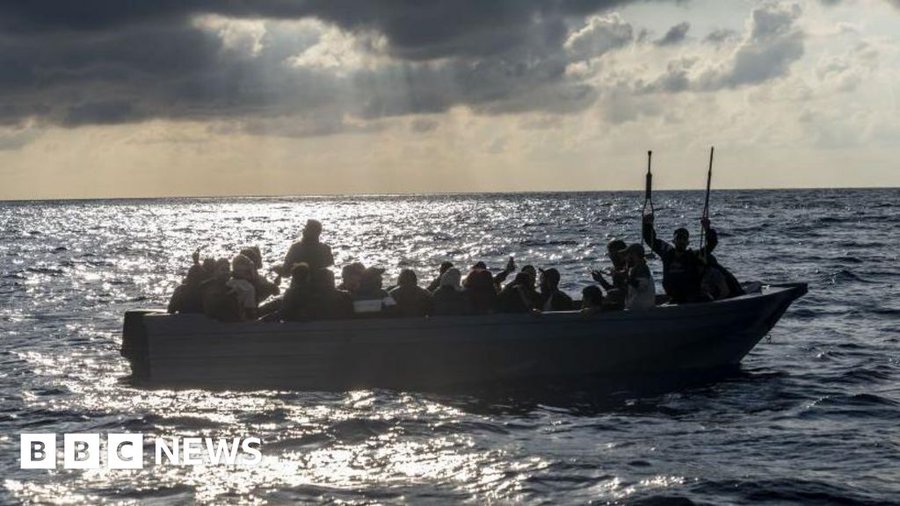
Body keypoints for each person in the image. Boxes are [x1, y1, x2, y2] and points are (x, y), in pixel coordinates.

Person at [642, 214, 714, 304]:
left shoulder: (693, 256)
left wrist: (707, 229)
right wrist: (647, 224)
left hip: (690, 298)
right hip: (673, 296)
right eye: (679, 238)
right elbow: (651, 241)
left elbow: (711, 244)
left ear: (688, 242)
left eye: (684, 239)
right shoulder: (667, 253)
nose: (681, 241)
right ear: (674, 241)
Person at [168, 248, 209, 314]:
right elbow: (171, 310)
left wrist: (196, 261)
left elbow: (171, 310)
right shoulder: (206, 291)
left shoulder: (181, 290)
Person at [201, 258, 242, 322]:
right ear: (216, 271)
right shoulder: (210, 286)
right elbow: (212, 308)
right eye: (222, 270)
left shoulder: (228, 288)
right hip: (218, 323)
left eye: (227, 269)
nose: (226, 272)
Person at [591, 239, 628, 309]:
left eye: (612, 254)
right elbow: (615, 289)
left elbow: (621, 293)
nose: (610, 256)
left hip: (624, 304)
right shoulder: (617, 269)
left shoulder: (625, 269)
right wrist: (601, 280)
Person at [621, 243, 655, 311]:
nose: (625, 258)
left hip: (641, 310)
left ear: (634, 255)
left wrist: (627, 278)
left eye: (627, 255)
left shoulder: (641, 268)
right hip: (638, 309)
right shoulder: (637, 268)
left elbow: (642, 286)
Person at [227, 253, 259, 320]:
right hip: (241, 308)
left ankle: (248, 313)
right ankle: (249, 314)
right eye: (239, 270)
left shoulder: (244, 281)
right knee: (250, 290)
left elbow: (253, 277)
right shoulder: (244, 285)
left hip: (240, 305)